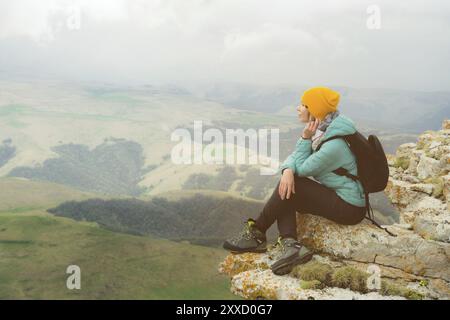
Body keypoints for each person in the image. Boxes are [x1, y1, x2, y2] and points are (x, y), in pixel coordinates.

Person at [223, 86, 367, 275]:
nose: (298, 108)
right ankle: (289, 244)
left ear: (316, 110)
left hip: (350, 208)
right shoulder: (325, 132)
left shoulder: (334, 144)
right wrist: (288, 170)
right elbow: (294, 163)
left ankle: (257, 233)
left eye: (304, 105)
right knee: (289, 187)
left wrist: (302, 141)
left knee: (292, 184)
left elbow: (302, 169)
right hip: (340, 198)